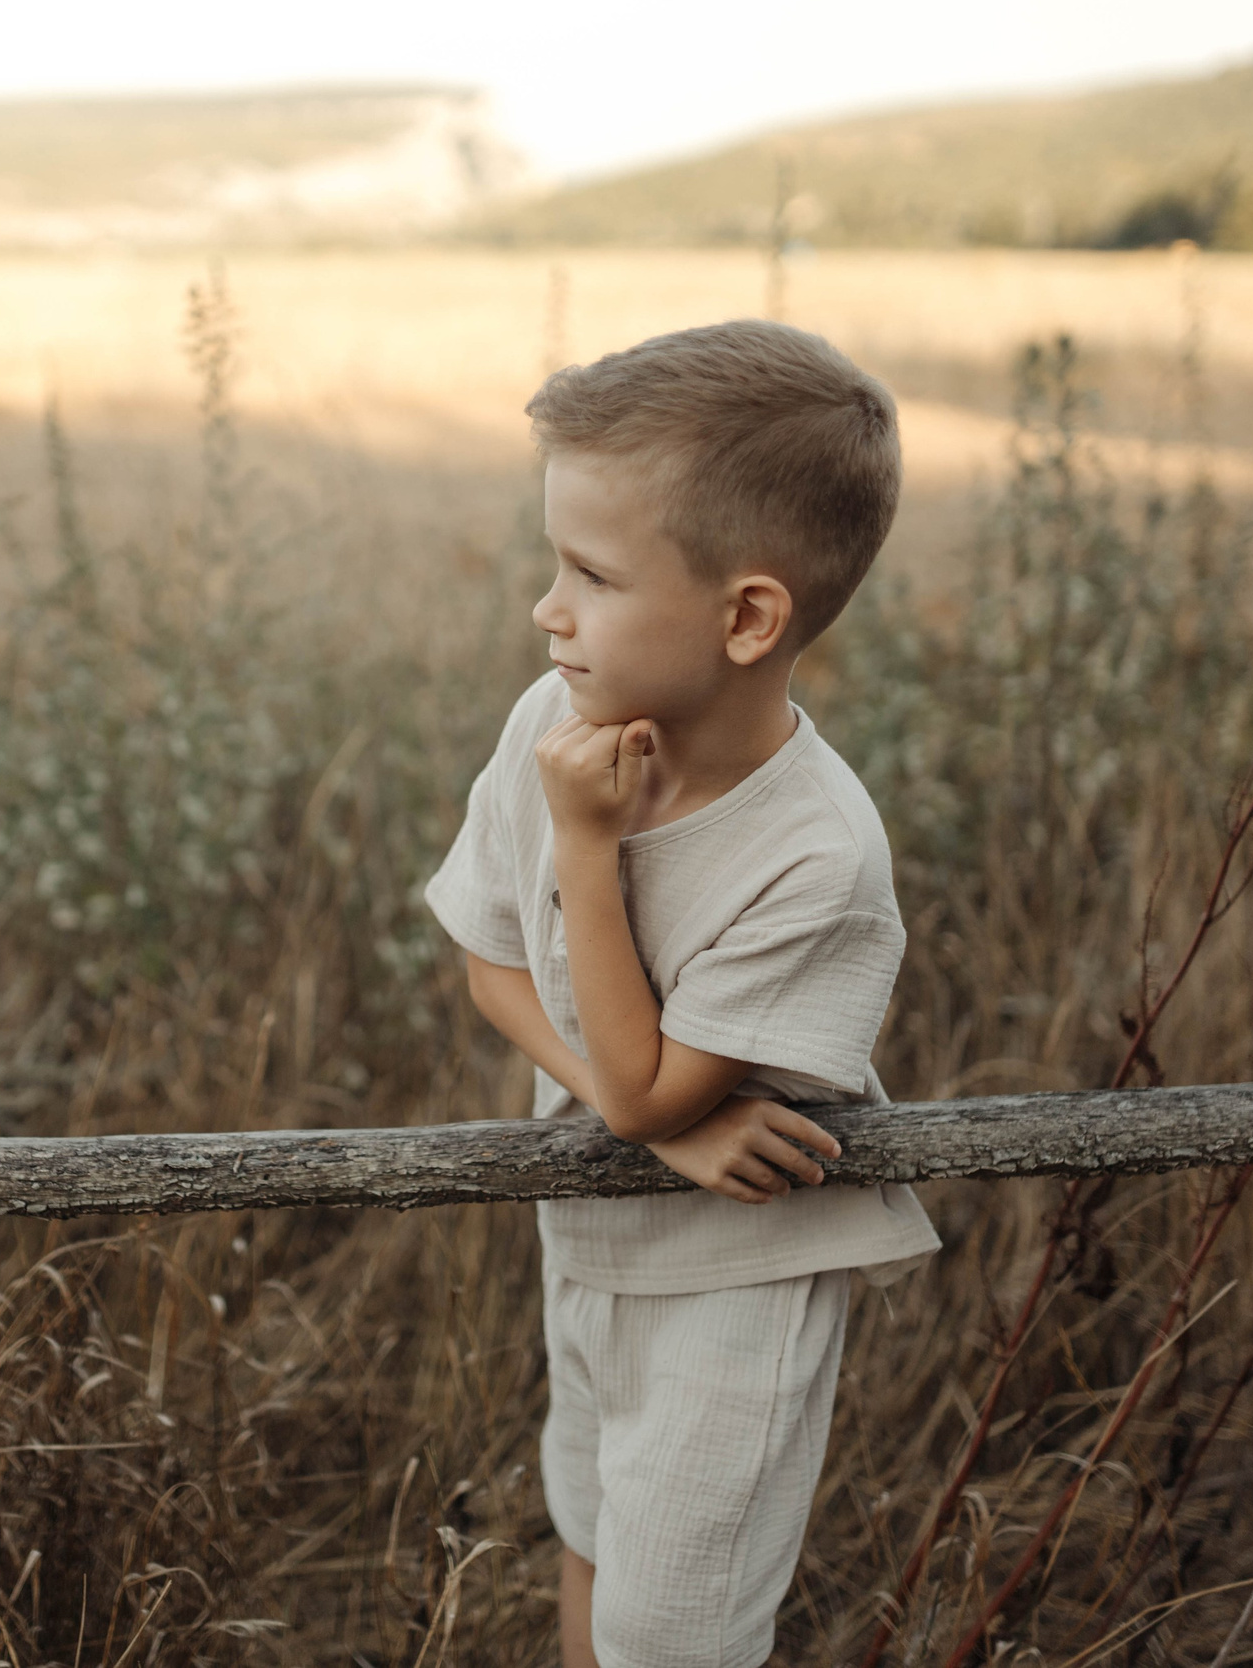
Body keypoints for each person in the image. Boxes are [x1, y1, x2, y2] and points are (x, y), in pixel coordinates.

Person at [422, 319, 940, 1666]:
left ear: (749, 616)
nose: (547, 609)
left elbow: (652, 1089)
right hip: (591, 1233)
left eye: (589, 573)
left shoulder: (815, 854)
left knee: (675, 1633)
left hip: (734, 1286)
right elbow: (492, 962)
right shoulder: (554, 725)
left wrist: (590, 856)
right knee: (589, 1535)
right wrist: (645, 1119)